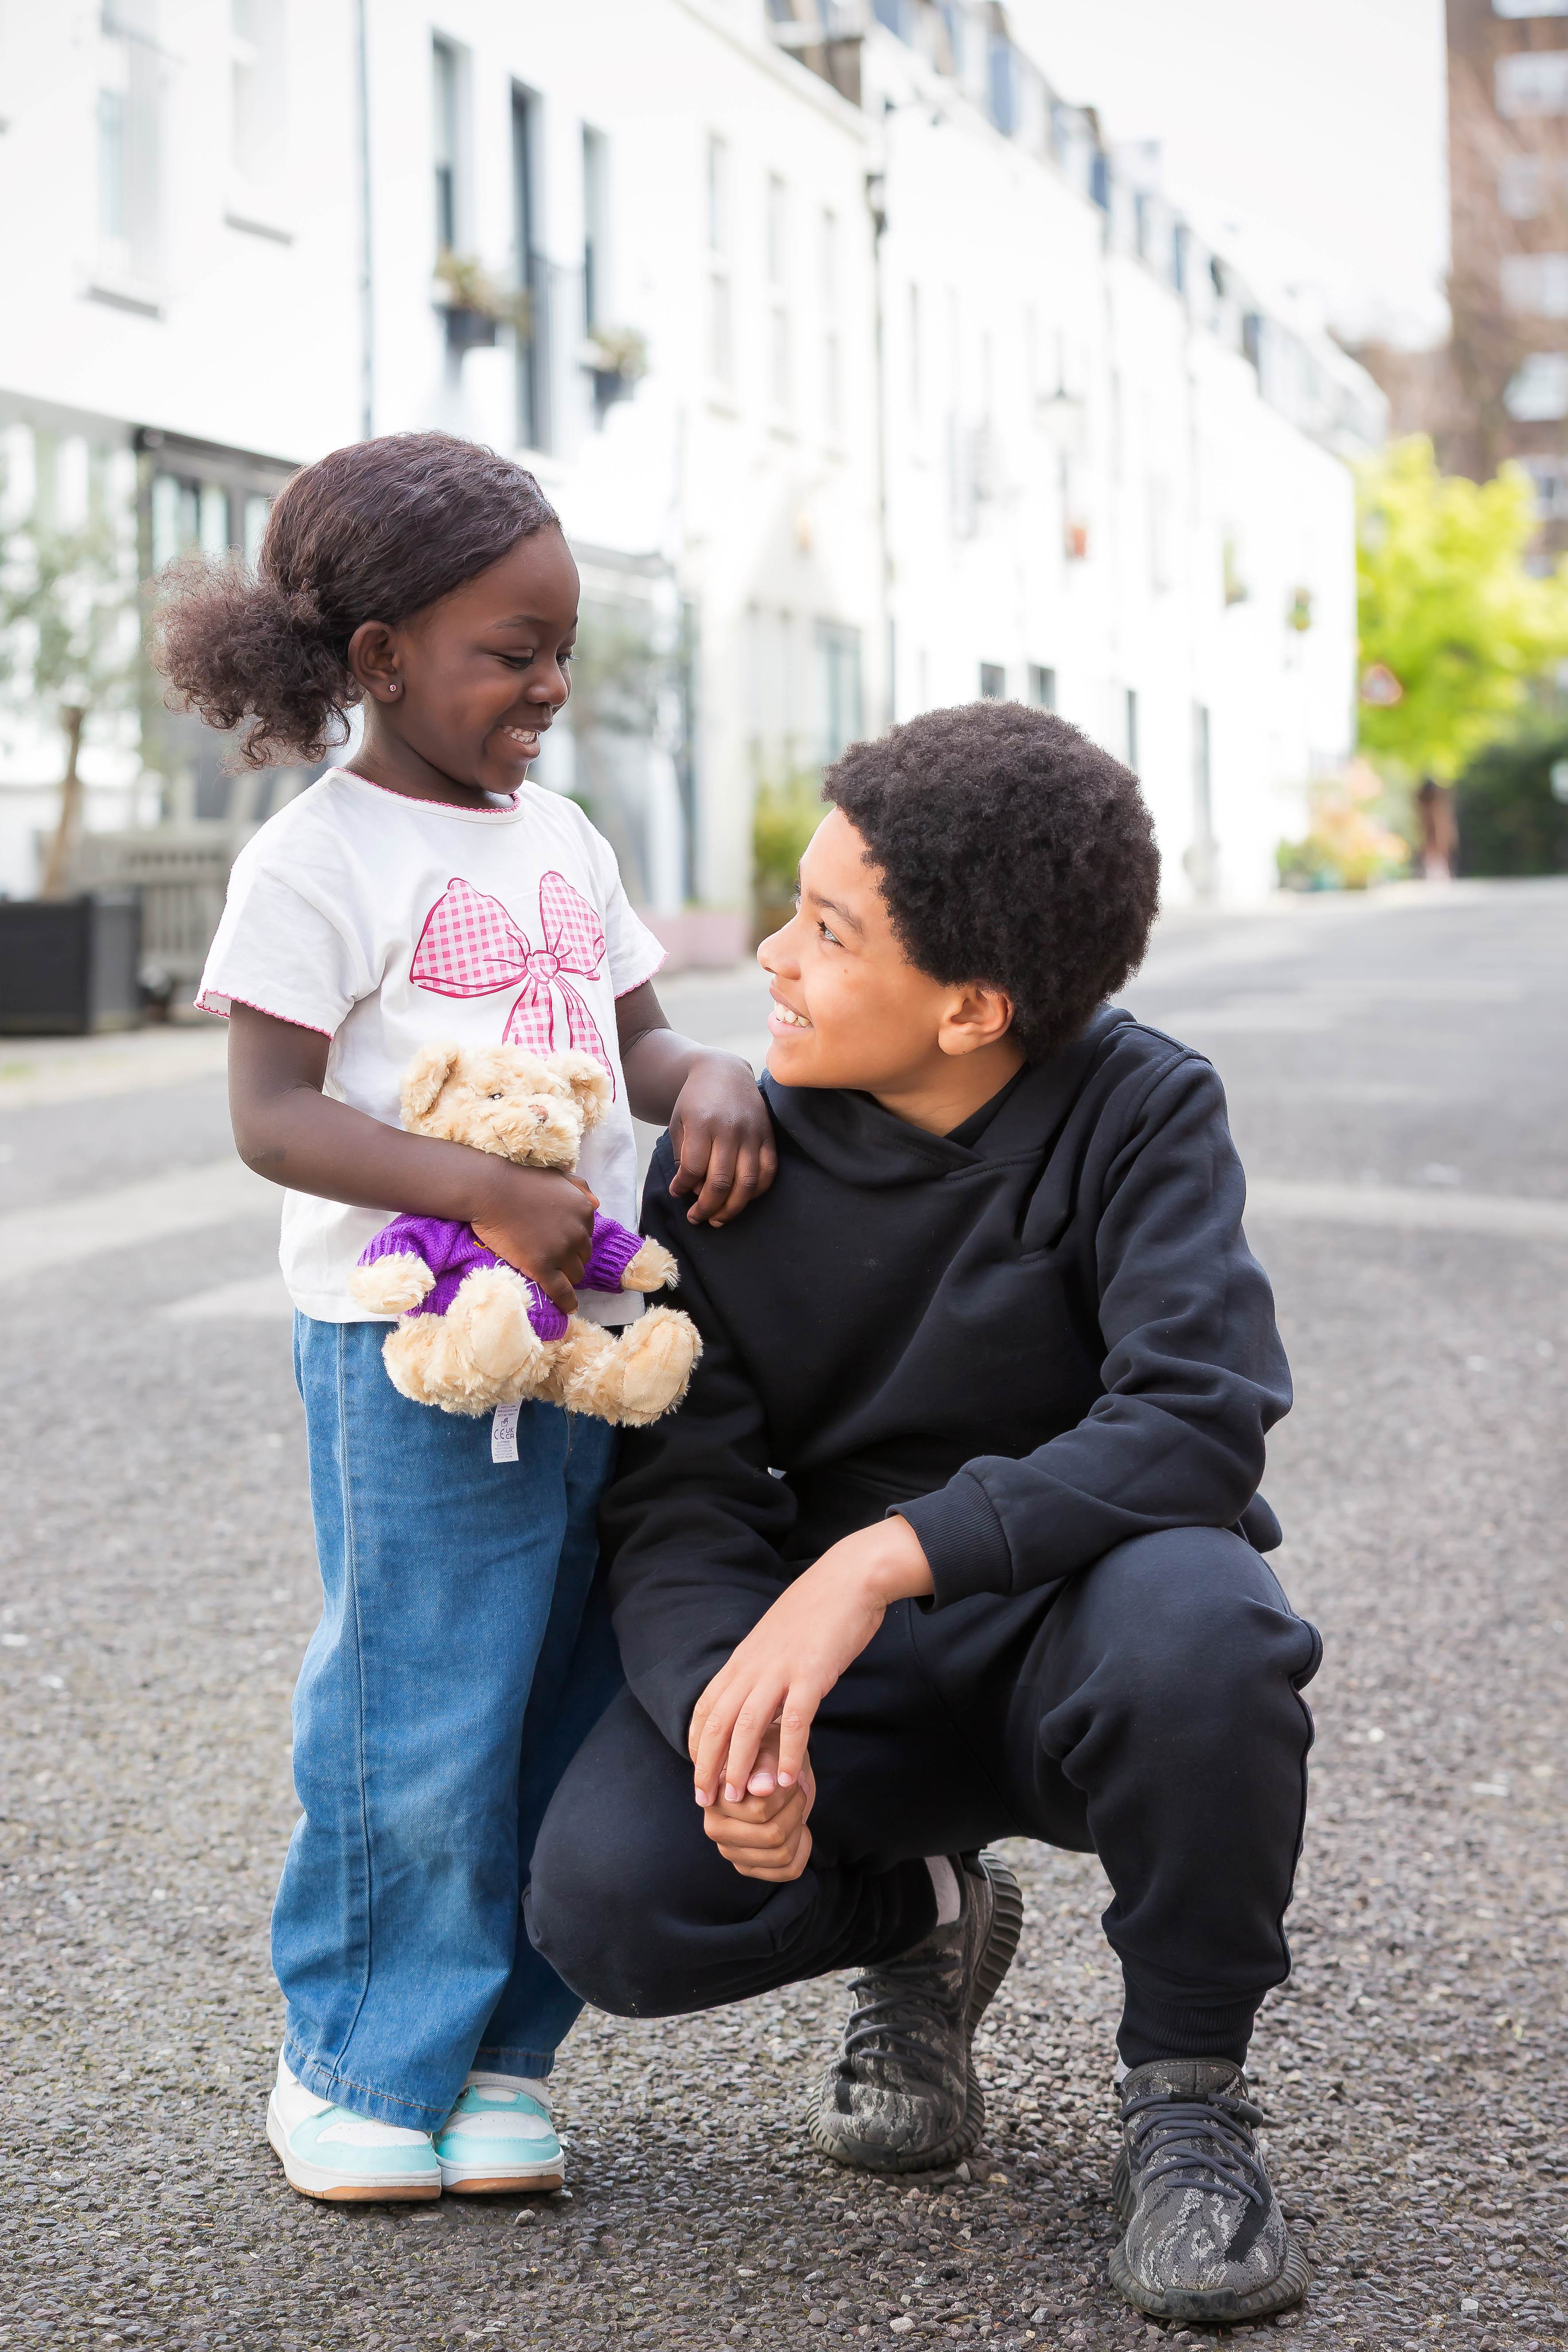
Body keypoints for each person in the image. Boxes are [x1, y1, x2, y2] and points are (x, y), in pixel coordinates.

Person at [527, 703, 1321, 2326]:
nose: (769, 955)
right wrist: (726, 1719)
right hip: (865, 1687)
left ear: (971, 1006)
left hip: (1079, 1624)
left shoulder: (1142, 1112)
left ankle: (1186, 2102)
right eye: (792, 906)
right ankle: (931, 1915)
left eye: (825, 930)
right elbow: (677, 1492)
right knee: (606, 1902)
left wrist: (878, 1560)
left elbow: (1195, 1424)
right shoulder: (727, 1162)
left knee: (1211, 1631)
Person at [154, 433, 774, 2204]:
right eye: (515, 649)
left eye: (562, 645)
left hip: (582, 1334)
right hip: (408, 1348)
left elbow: (640, 1045)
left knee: (573, 1690)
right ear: (379, 658)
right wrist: (478, 1186)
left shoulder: (565, 839)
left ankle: (500, 2051)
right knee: (425, 1701)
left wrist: (706, 1072)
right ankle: (357, 2061)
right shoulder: (316, 857)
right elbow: (272, 1116)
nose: (552, 684)